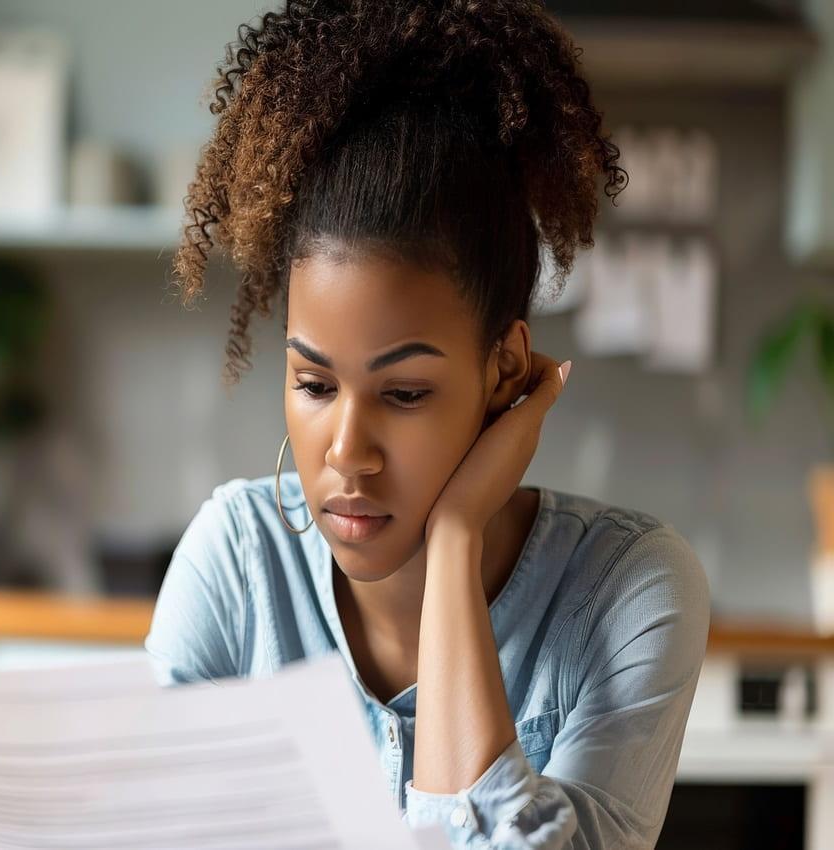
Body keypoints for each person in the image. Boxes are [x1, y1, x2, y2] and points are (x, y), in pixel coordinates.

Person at [145, 1, 712, 847]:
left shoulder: (628, 593)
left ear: (505, 373)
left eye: (404, 393)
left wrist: (454, 543)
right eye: (313, 383)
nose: (345, 453)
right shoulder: (237, 566)